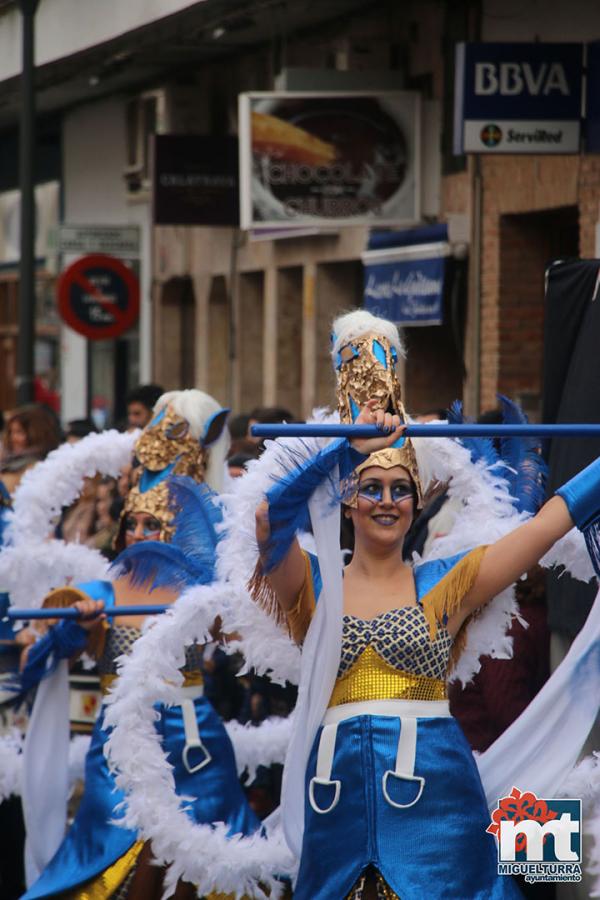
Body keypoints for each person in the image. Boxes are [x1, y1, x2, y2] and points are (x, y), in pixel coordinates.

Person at [250, 311, 600, 899]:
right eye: (370, 488)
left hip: (436, 797)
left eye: (400, 489)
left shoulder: (447, 582)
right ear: (347, 501)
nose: (387, 501)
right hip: (333, 797)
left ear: (417, 502)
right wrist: (345, 446)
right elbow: (268, 520)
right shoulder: (312, 585)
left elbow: (545, 528)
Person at [18, 389, 259, 900]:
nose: (142, 533)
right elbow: (34, 665)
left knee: (203, 866)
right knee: (121, 862)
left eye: (156, 524)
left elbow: (244, 644)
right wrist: (74, 628)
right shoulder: (96, 594)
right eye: (135, 524)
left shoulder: (197, 590)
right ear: (122, 528)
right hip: (121, 747)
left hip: (196, 744)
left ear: (175, 529)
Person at [0, 406, 61, 495]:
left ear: (37, 434)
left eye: (19, 432)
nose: (13, 438)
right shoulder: (10, 460)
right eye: (11, 432)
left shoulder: (37, 466)